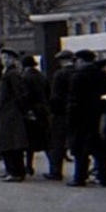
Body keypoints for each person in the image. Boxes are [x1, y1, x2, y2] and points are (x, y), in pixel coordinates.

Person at [66, 49, 106, 187]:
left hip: (81, 118)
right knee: (99, 149)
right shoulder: (104, 76)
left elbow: (74, 101)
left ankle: (80, 178)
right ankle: (104, 177)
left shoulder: (78, 77)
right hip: (99, 116)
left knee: (80, 150)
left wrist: (70, 119)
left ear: (81, 61)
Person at [0, 48, 32, 183]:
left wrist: (24, 110)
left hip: (11, 113)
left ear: (13, 60)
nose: (5, 60)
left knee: (11, 144)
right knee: (9, 143)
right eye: (3, 58)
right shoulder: (9, 73)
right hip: (8, 112)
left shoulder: (12, 74)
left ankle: (15, 172)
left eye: (7, 58)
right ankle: (12, 170)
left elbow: (20, 94)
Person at [43, 49, 76, 180]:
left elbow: (55, 96)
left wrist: (52, 111)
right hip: (75, 112)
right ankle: (81, 173)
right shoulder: (77, 72)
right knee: (77, 143)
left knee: (57, 143)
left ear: (62, 61)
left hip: (60, 113)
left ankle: (56, 171)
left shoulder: (60, 74)